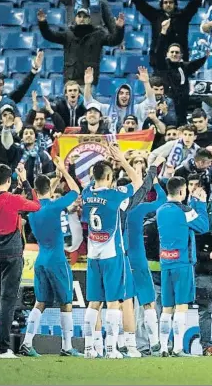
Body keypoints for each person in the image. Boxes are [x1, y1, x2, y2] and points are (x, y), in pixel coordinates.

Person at [81, 146, 143, 359]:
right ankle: (111, 348)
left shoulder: (86, 193)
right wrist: (123, 161)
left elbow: (94, 179)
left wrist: (105, 165)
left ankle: (88, 348)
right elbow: (137, 183)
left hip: (92, 256)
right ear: (109, 177)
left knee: (94, 302)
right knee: (114, 300)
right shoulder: (114, 194)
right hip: (112, 254)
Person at [19, 157, 83, 357]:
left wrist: (53, 178)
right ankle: (66, 346)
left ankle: (27, 343)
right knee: (66, 302)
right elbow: (75, 192)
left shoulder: (32, 209)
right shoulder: (55, 207)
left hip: (41, 260)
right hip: (56, 259)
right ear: (51, 189)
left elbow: (40, 195)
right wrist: (64, 171)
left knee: (41, 301)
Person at [0, 164, 41, 358]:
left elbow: (2, 201)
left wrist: (17, 188)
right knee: (7, 300)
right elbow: (35, 204)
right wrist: (24, 180)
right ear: (9, 180)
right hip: (12, 254)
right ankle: (3, 348)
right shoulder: (13, 200)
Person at [156, 177, 209, 357]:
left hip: (165, 263)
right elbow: (203, 226)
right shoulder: (185, 211)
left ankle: (163, 347)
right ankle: (178, 348)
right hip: (183, 264)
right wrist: (200, 204)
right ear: (181, 191)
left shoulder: (160, 210)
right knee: (181, 306)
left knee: (166, 308)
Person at [123, 157, 167, 356]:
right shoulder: (139, 209)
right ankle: (154, 343)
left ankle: (124, 344)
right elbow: (162, 200)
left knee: (121, 302)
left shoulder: (112, 207)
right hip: (138, 258)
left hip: (119, 259)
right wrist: (155, 180)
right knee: (147, 301)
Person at [37, 8, 125, 85]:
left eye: (85, 16)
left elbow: (114, 40)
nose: (82, 19)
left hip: (89, 82)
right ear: (75, 18)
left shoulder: (98, 35)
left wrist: (119, 28)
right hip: (70, 81)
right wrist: (42, 23)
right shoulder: (68, 34)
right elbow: (50, 35)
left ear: (89, 19)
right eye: (79, 16)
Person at [156, 19, 208, 125]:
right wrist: (163, 31)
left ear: (181, 55)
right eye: (172, 52)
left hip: (182, 108)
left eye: (177, 52)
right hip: (167, 107)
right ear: (167, 54)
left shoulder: (185, 67)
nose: (174, 54)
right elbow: (159, 50)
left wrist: (206, 53)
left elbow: (198, 62)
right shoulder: (162, 65)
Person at [132, 0, 204, 69]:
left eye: (171, 2)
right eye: (165, 2)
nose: (168, 4)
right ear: (162, 4)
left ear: (175, 4)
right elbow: (141, 5)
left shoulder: (183, 16)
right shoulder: (155, 16)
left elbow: (194, 4)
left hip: (179, 58)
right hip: (159, 58)